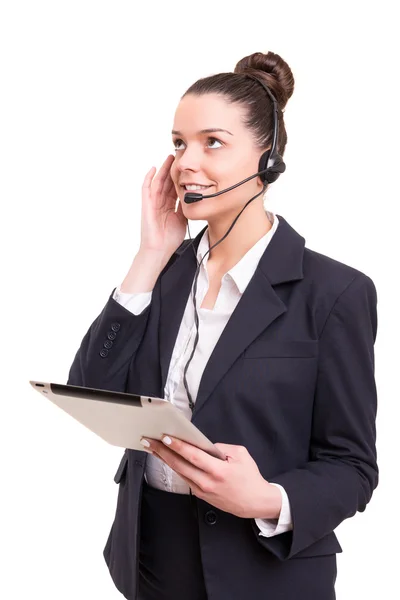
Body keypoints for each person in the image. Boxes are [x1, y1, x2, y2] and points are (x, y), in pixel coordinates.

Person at [67, 50, 379, 600]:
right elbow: (94, 392)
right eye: (178, 143)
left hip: (263, 570)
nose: (186, 162)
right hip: (151, 559)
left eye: (213, 142)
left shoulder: (335, 294)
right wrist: (150, 253)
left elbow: (351, 466)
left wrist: (265, 498)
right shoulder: (163, 276)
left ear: (268, 160)